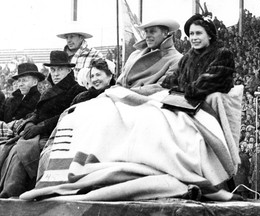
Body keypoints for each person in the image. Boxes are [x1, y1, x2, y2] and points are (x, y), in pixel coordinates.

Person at [20, 14, 242, 202]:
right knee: (87, 112)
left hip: (190, 103)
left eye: (198, 34)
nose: (194, 38)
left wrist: (174, 88)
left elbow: (199, 84)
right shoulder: (177, 58)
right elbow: (171, 82)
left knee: (144, 121)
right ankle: (78, 168)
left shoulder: (213, 55)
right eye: (191, 34)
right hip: (164, 97)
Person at [0, 50, 86, 198]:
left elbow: (67, 115)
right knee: (10, 149)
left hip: (57, 135)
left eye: (60, 69)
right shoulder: (49, 91)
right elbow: (38, 112)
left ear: (69, 70)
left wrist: (41, 126)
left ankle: (11, 195)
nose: (56, 73)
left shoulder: (77, 90)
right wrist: (30, 122)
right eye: (53, 70)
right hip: (40, 133)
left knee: (20, 153)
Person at [116, 18, 183, 88]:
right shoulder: (134, 55)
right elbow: (120, 82)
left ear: (165, 34)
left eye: (152, 32)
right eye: (146, 32)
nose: (147, 36)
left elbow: (161, 89)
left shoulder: (177, 60)